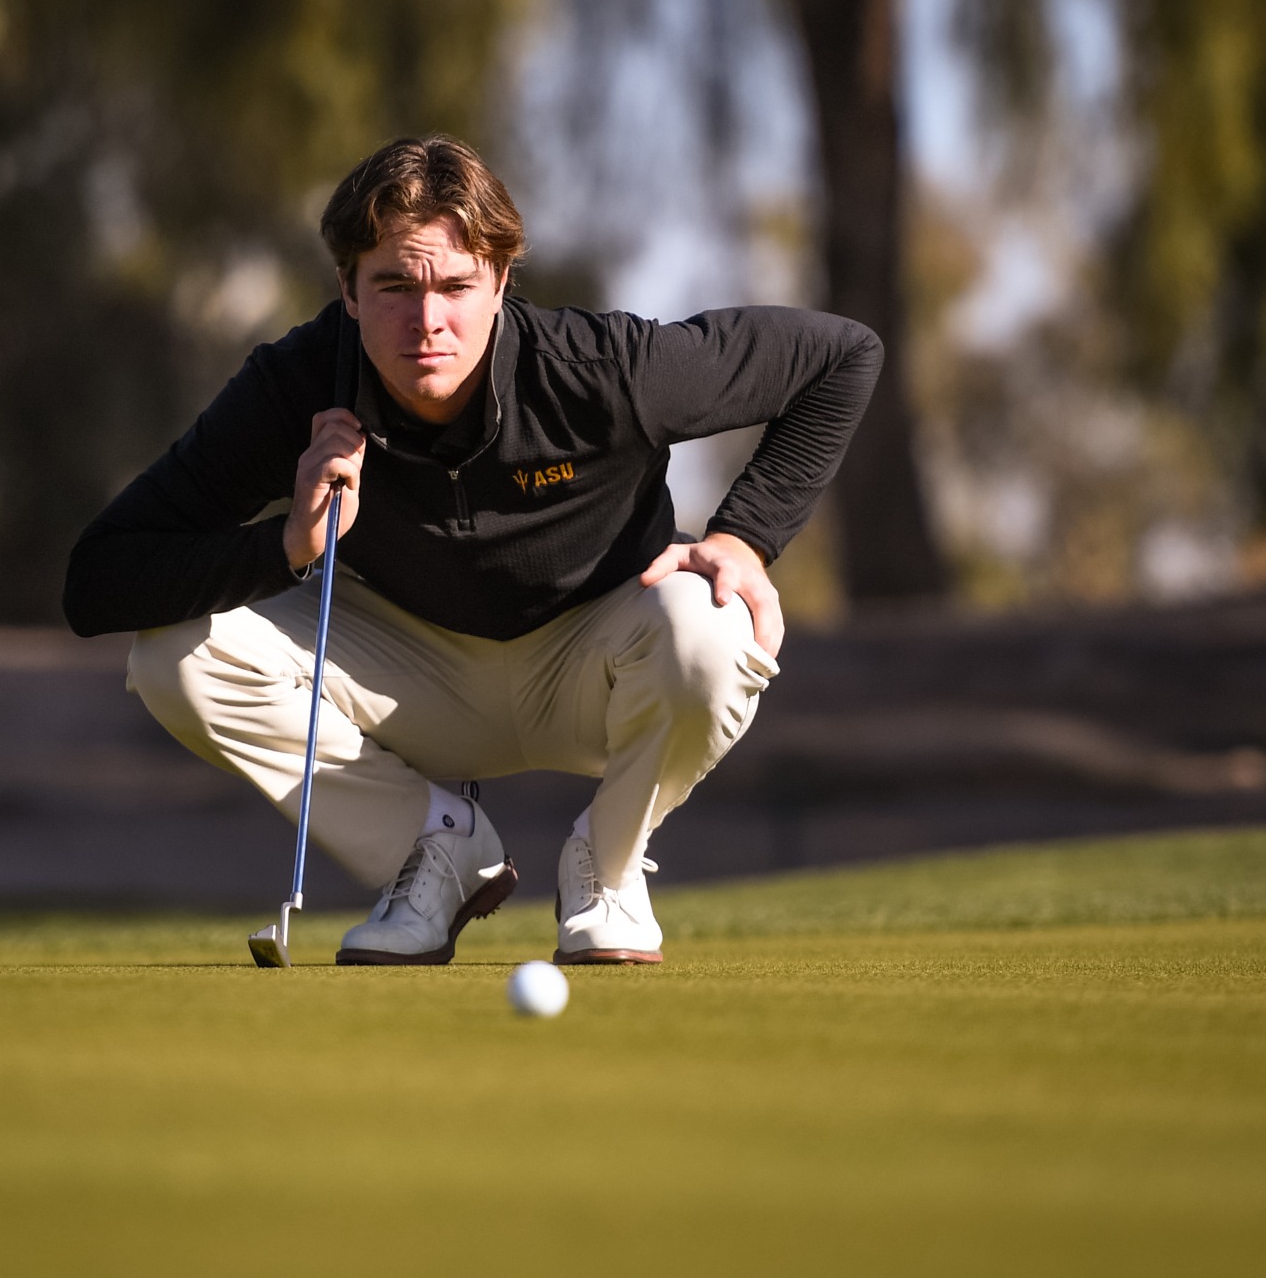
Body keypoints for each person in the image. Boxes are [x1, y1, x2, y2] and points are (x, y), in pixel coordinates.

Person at [63, 136, 881, 965]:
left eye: (456, 285)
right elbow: (99, 581)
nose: (428, 321)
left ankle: (607, 864)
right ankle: (434, 847)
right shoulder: (295, 386)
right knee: (175, 651)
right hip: (404, 675)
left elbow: (843, 355)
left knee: (711, 622)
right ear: (345, 287)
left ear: (500, 279)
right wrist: (288, 542)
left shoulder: (602, 369)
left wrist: (747, 535)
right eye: (392, 286)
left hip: (596, 664)